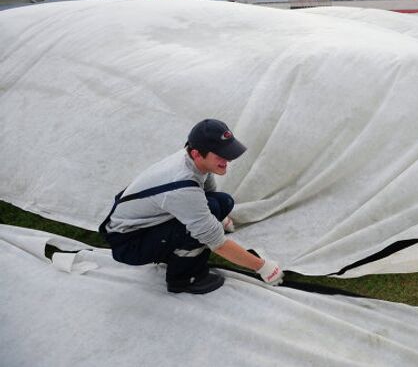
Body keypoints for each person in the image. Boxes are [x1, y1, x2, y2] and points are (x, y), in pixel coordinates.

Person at [100, 118, 284, 294]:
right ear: (197, 153)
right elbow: (217, 243)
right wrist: (264, 267)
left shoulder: (192, 160)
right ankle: (184, 278)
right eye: (220, 155)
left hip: (139, 226)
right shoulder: (181, 185)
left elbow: (207, 194)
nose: (227, 161)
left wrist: (220, 219)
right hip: (129, 242)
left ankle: (171, 250)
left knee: (221, 202)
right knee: (196, 232)